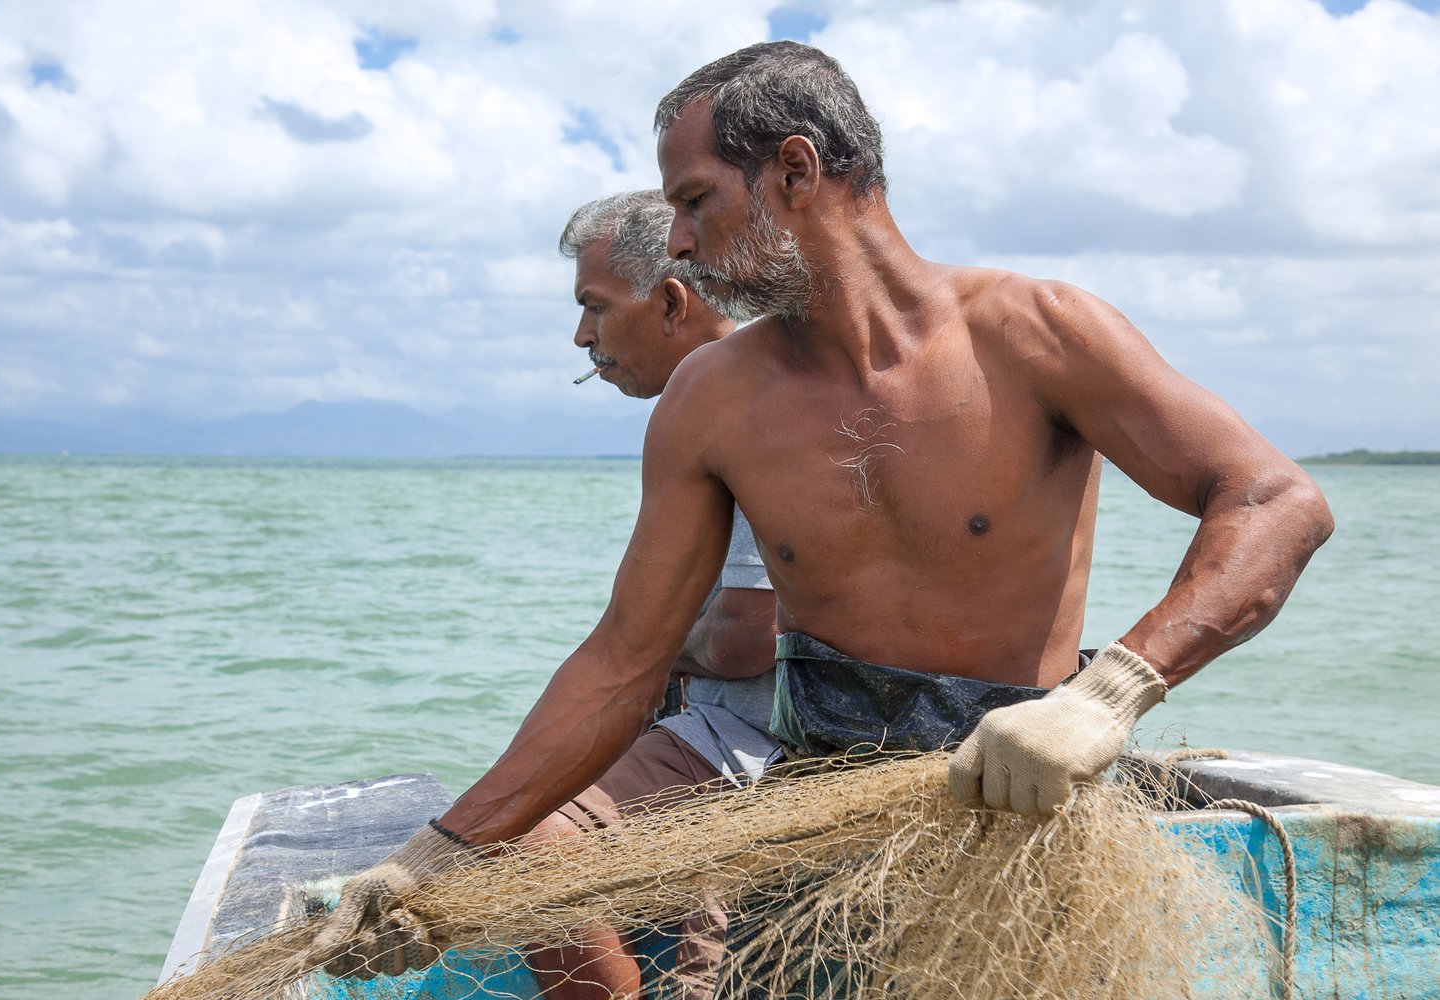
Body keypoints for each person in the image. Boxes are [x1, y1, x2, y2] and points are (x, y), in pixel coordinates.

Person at [317, 40, 1334, 985]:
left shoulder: (1032, 333)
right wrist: (433, 858)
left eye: (695, 199)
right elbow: (624, 660)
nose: (677, 239)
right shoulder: (710, 398)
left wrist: (1102, 698)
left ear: (795, 173)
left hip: (1012, 831)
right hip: (808, 844)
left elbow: (1274, 500)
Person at [528, 190, 780, 998]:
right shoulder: (726, 396)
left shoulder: (750, 405)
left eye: (594, 307)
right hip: (723, 726)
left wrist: (644, 645)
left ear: (672, 301)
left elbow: (744, 636)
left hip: (754, 741)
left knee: (521, 849)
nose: (581, 337)